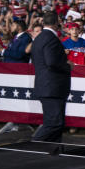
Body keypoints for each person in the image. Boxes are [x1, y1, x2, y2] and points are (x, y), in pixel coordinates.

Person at [31, 11, 73, 142]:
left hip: (47, 86)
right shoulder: (51, 38)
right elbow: (51, 62)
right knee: (54, 123)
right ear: (57, 23)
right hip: (53, 87)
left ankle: (53, 151)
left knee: (55, 123)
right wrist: (67, 66)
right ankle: (32, 146)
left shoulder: (39, 37)